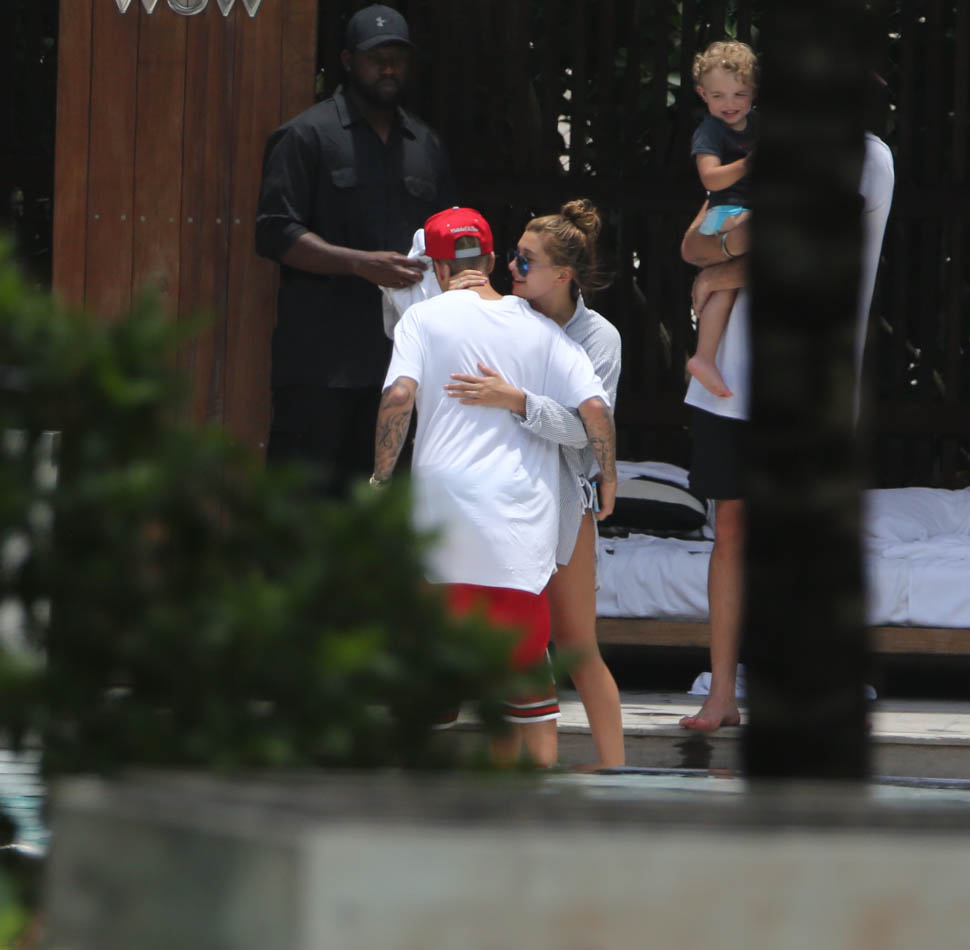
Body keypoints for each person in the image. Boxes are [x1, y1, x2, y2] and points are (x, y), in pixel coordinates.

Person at [371, 207, 618, 766]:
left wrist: (381, 479)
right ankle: (534, 805)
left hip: (442, 520)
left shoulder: (422, 319)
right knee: (527, 690)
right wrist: (609, 476)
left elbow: (399, 397)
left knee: (432, 676)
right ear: (488, 259)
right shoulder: (542, 329)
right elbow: (596, 412)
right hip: (516, 524)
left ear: (436, 267)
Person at [678, 129, 895, 733]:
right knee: (729, 533)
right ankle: (723, 694)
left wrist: (725, 266)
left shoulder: (864, 155)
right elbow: (692, 246)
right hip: (727, 385)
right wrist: (730, 253)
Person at [442, 199, 625, 768]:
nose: (511, 268)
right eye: (512, 257)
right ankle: (510, 779)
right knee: (511, 650)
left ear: (563, 274)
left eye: (525, 261)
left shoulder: (598, 338)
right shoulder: (504, 317)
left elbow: (587, 431)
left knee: (576, 645)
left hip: (564, 502)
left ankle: (617, 772)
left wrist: (518, 401)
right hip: (504, 502)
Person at [255, 4, 455, 497]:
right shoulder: (305, 136)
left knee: (382, 513)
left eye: (398, 59)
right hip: (320, 364)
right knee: (301, 509)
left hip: (401, 368)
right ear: (348, 60)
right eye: (375, 58)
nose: (388, 69)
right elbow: (275, 232)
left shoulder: (426, 145)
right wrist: (360, 265)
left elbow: (451, 240)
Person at [686, 40, 759, 399]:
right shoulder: (711, 131)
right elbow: (710, 179)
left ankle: (704, 357)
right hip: (724, 212)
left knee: (725, 288)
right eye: (718, 96)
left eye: (739, 94)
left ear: (754, 92)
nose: (730, 104)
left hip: (741, 211)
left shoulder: (759, 123)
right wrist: (747, 165)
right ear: (703, 94)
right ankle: (704, 357)